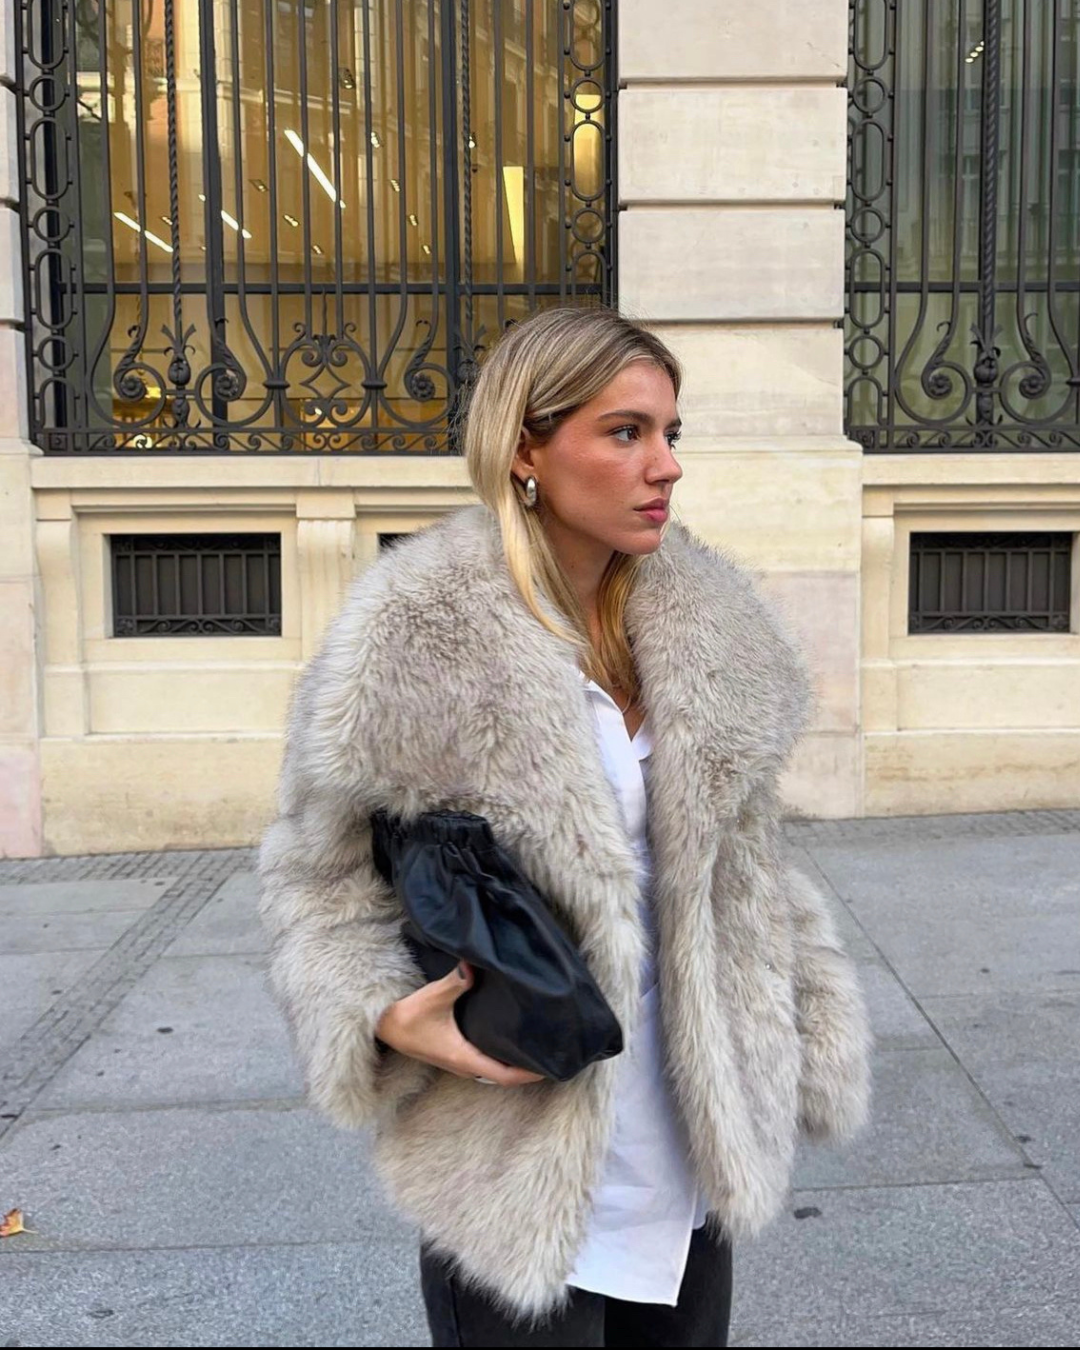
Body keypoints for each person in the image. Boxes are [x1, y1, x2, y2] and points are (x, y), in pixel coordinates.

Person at [258, 306, 872, 1348]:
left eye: (672, 433)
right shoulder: (417, 635)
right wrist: (377, 1011)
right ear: (527, 449)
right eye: (626, 432)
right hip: (513, 1155)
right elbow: (317, 879)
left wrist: (808, 1029)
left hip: (687, 1139)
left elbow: (750, 866)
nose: (665, 465)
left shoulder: (703, 633)